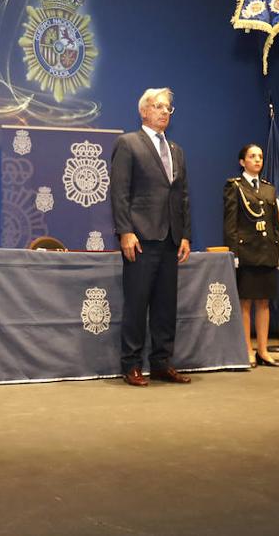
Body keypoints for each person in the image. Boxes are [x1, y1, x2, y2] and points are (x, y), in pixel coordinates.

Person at [109, 88, 193, 386]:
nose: (164, 112)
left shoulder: (177, 150)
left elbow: (181, 196)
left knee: (165, 306)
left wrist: (184, 235)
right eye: (158, 107)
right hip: (141, 237)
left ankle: (161, 362)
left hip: (170, 239)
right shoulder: (128, 144)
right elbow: (119, 193)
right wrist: (125, 231)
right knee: (137, 303)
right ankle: (131, 364)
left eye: (168, 108)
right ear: (144, 111)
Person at [224, 144, 279, 368]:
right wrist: (234, 253)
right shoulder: (234, 186)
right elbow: (230, 223)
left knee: (264, 303)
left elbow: (274, 224)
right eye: (252, 156)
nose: (257, 160)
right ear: (242, 162)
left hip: (267, 251)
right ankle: (247, 350)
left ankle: (263, 350)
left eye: (260, 156)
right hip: (247, 252)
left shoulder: (269, 189)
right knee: (245, 303)